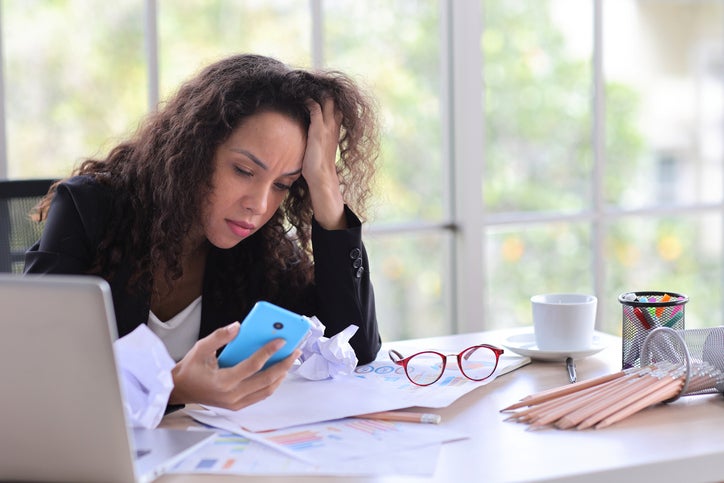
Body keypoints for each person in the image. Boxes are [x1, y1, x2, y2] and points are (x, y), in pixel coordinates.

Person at [24, 53, 382, 411]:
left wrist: (325, 187)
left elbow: (354, 347)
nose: (259, 205)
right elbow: (33, 366)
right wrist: (174, 390)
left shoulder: (261, 250)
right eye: (243, 170)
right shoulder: (88, 209)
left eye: (283, 185)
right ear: (194, 152)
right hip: (86, 457)